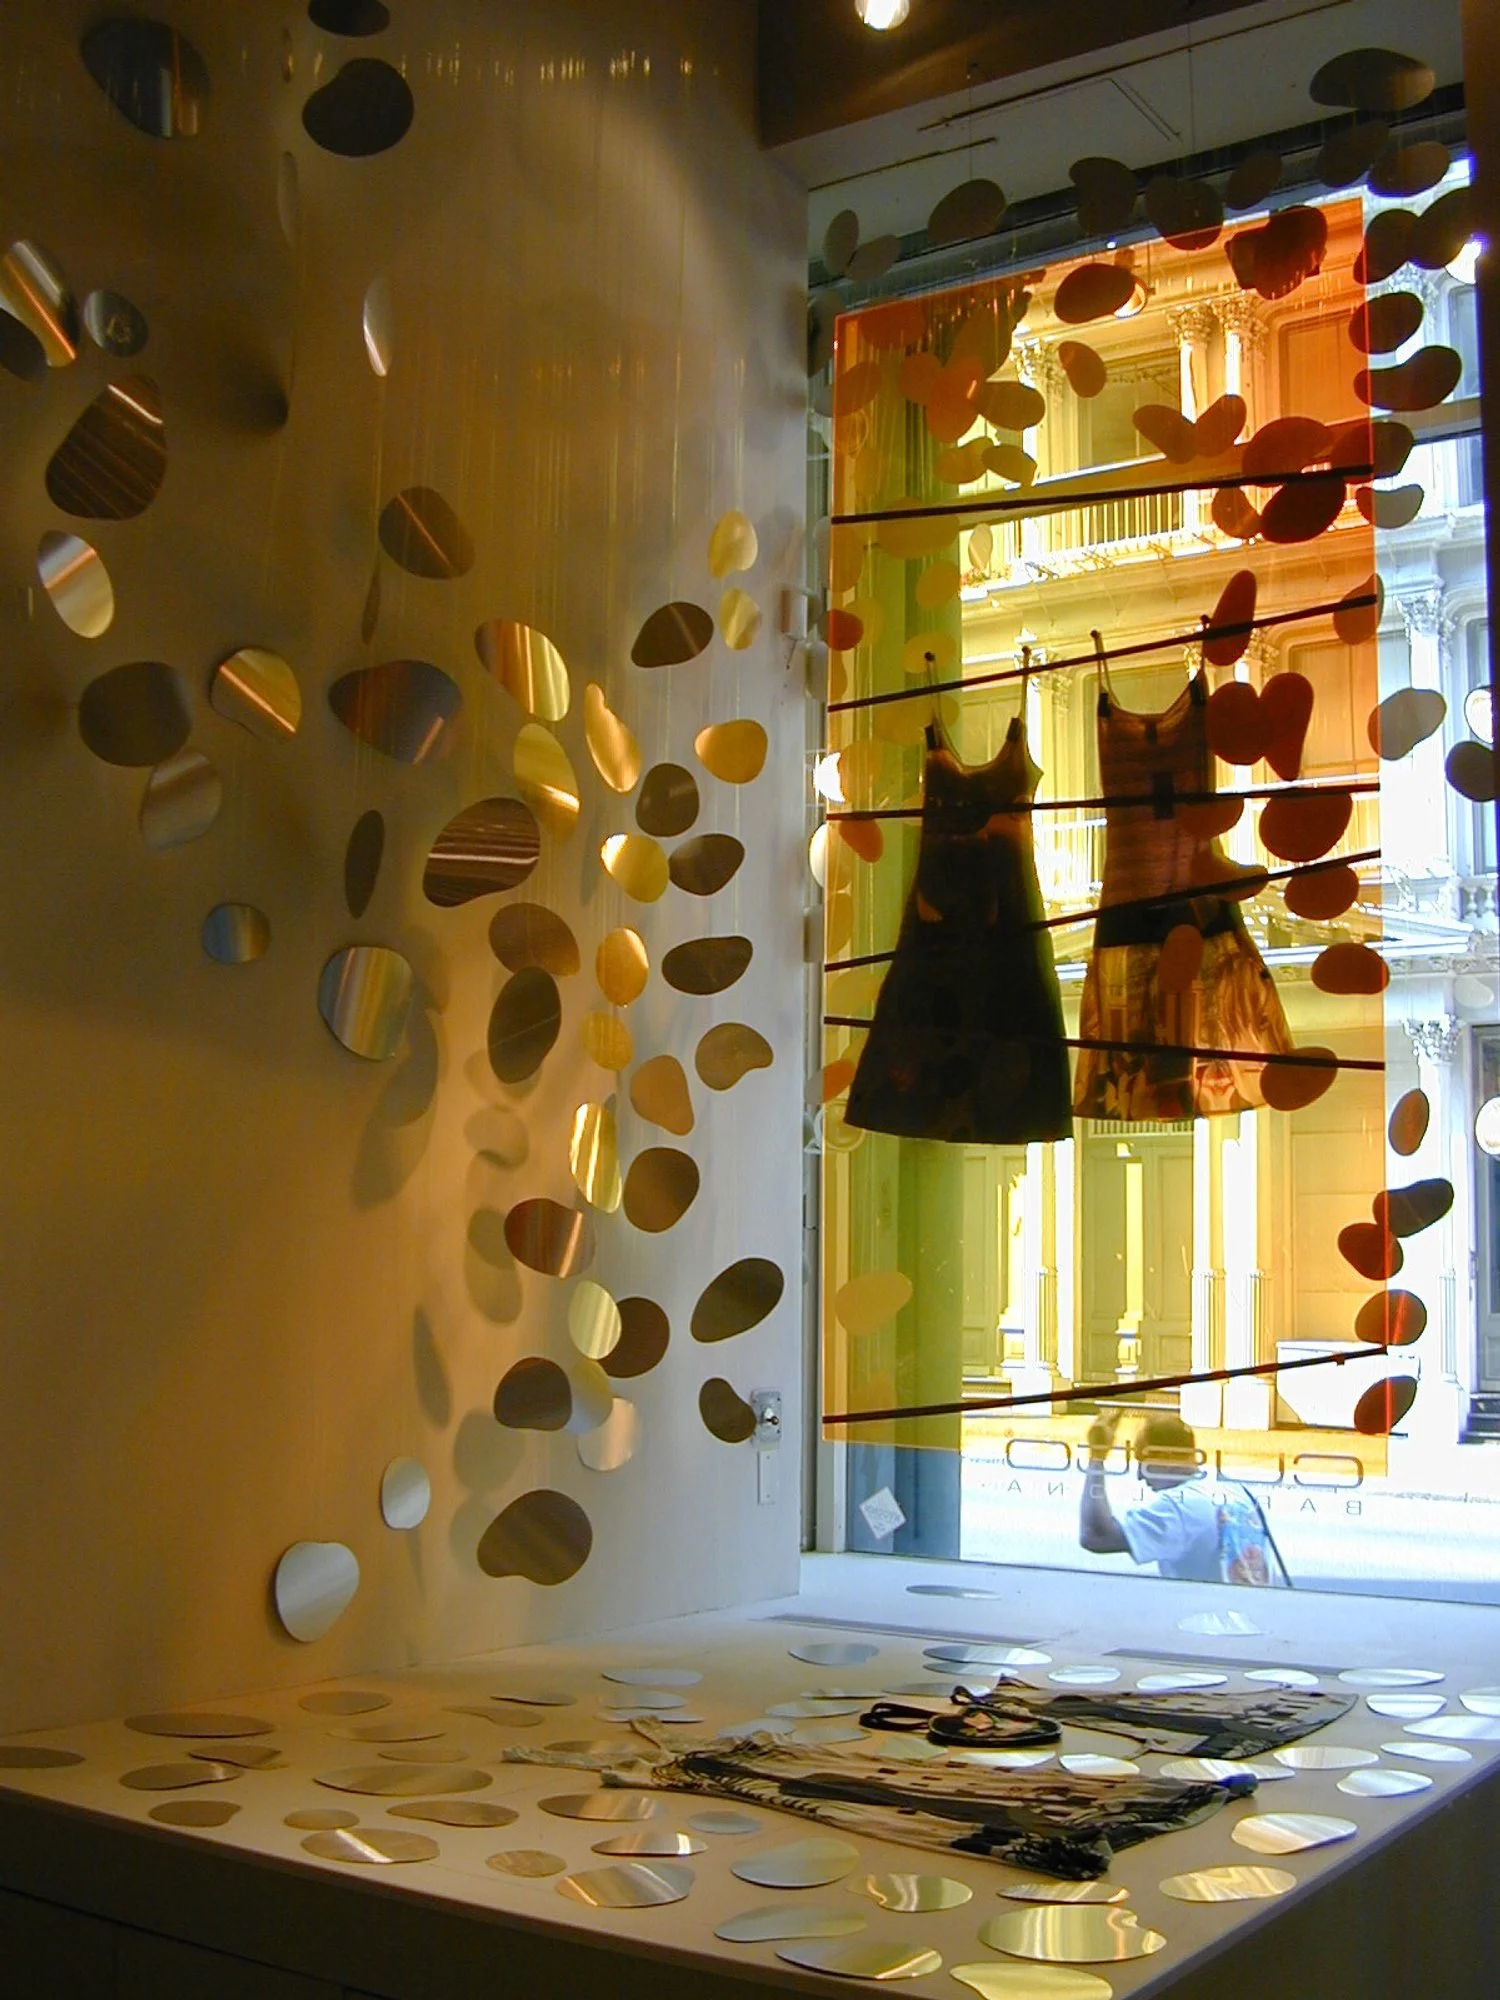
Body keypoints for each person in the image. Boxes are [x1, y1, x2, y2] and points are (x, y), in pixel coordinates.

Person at [1078, 1409, 1288, 1586]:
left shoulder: (1175, 1508)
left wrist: (1097, 1456)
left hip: (1203, 1624)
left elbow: (1095, 1536)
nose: (1140, 1475)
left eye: (1142, 1460)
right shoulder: (1237, 1492)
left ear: (1165, 1457)